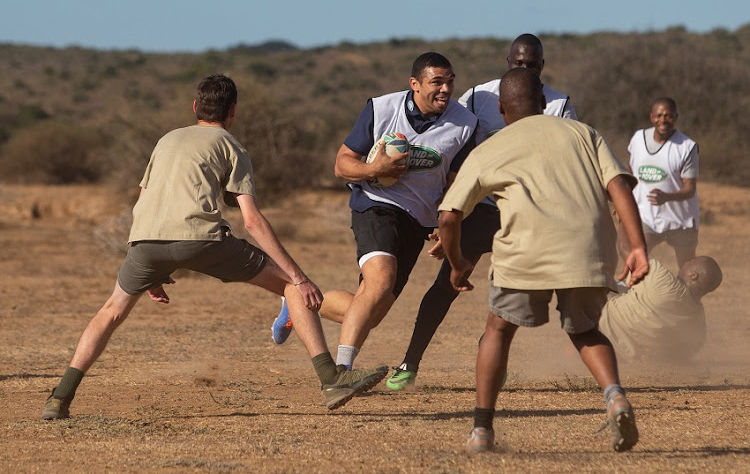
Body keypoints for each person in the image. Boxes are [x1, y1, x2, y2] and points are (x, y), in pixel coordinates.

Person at [41, 74, 387, 420]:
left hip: (143, 241)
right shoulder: (230, 146)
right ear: (232, 112)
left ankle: (59, 397)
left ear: (195, 107)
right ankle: (331, 379)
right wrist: (300, 276)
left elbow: (141, 202)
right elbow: (251, 220)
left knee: (111, 311)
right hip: (201, 239)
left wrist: (151, 268)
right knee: (290, 286)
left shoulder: (166, 140)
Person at [437, 67, 649, 454]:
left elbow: (449, 216)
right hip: (586, 249)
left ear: (501, 108)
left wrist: (457, 263)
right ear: (544, 102)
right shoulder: (583, 133)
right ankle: (615, 396)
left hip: (524, 252)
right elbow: (618, 184)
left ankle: (482, 432)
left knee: (497, 330)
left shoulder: (490, 149)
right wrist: (637, 245)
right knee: (585, 330)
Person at [386, 33, 579, 391]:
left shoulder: (560, 104)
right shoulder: (478, 96)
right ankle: (409, 362)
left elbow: (566, 158)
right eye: (518, 63)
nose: (525, 68)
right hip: (482, 206)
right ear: (508, 62)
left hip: (528, 213)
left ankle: (493, 352)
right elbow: (451, 149)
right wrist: (445, 212)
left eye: (532, 64)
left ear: (542, 66)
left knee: (517, 289)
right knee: (446, 284)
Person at [272, 52, 478, 371]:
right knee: (380, 283)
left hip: (418, 220)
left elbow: (454, 183)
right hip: (376, 205)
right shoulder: (382, 109)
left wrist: (445, 222)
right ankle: (341, 372)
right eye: (437, 82)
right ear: (415, 84)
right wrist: (374, 168)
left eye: (450, 82)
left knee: (372, 311)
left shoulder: (465, 123)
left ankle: (298, 303)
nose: (446, 89)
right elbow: (342, 165)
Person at [619, 97, 699, 268]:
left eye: (668, 116)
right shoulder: (638, 139)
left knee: (688, 270)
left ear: (676, 117)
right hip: (647, 216)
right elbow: (630, 174)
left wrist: (667, 197)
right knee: (637, 257)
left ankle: (687, 295)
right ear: (651, 117)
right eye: (659, 115)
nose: (663, 120)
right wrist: (623, 200)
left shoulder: (686, 147)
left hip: (680, 219)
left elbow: (690, 189)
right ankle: (646, 291)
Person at [599, 256, 722, 363]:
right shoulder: (699, 325)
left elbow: (630, 252)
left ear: (693, 275)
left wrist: (630, 229)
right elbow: (685, 353)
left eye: (690, 262)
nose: (685, 262)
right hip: (624, 356)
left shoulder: (663, 280)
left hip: (600, 328)